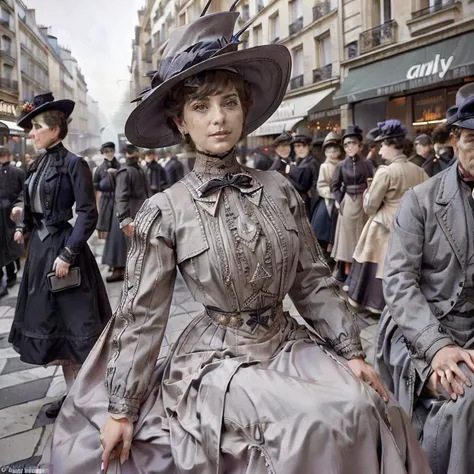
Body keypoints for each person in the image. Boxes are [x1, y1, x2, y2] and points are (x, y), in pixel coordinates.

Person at [43, 9, 429, 474]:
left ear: (244, 109)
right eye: (201, 107)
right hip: (219, 359)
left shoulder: (280, 188)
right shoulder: (165, 209)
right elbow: (141, 317)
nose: (218, 118)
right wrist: (121, 408)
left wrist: (351, 350)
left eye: (228, 102)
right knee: (307, 425)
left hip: (290, 344)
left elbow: (311, 280)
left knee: (362, 404)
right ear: (181, 123)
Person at [376, 87, 474, 474]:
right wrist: (438, 348)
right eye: (472, 140)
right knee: (465, 397)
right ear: (454, 141)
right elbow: (399, 282)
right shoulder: (421, 199)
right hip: (420, 331)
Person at [8, 93, 112, 419]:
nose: (31, 133)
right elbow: (34, 203)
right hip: (40, 252)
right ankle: (74, 397)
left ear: (55, 130)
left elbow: (86, 213)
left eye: (37, 127)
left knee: (75, 331)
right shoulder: (36, 164)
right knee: (56, 334)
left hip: (66, 255)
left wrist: (69, 252)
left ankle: (87, 401)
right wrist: (23, 222)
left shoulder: (74, 164)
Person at [346, 120, 428, 314]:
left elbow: (370, 206)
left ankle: (376, 304)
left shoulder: (386, 172)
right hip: (411, 226)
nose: (380, 150)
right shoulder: (420, 171)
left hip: (383, 227)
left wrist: (367, 194)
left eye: (382, 145)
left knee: (379, 263)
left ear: (392, 145)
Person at [331, 125, 374, 284]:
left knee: (362, 237)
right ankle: (348, 275)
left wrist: (370, 198)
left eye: (353, 143)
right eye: (346, 144)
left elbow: (373, 183)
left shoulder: (368, 164)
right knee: (348, 240)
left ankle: (361, 274)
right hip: (348, 203)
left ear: (360, 145)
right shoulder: (341, 165)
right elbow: (334, 185)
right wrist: (341, 200)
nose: (349, 147)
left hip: (364, 204)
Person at [94, 142, 127, 283]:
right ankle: (114, 262)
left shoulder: (120, 166)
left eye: (111, 150)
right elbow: (96, 186)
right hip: (106, 201)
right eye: (106, 151)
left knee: (117, 232)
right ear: (103, 153)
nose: (109, 153)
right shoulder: (100, 169)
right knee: (109, 232)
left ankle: (118, 262)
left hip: (118, 200)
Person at [311, 131, 343, 256]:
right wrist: (332, 194)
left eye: (335, 149)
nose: (333, 152)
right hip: (329, 199)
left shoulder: (343, 164)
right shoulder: (325, 166)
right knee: (325, 226)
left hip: (343, 197)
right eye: (330, 150)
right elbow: (321, 185)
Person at [0, 147, 25, 297]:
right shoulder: (18, 172)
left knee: (8, 245)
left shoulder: (17, 172)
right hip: (11, 213)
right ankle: (10, 275)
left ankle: (10, 275)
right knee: (8, 246)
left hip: (10, 214)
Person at [115, 144, 152, 238]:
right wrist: (126, 220)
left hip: (145, 214)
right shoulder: (125, 172)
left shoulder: (140, 170)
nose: (135, 155)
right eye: (132, 153)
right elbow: (121, 198)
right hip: (133, 217)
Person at [270, 131, 313, 203]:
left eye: (287, 146)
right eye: (283, 146)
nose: (286, 149)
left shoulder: (291, 160)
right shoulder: (278, 165)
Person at [292, 133, 320, 217]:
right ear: (294, 149)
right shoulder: (296, 162)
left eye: (304, 146)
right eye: (298, 146)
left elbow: (316, 179)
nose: (301, 149)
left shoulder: (312, 162)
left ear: (308, 148)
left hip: (308, 200)